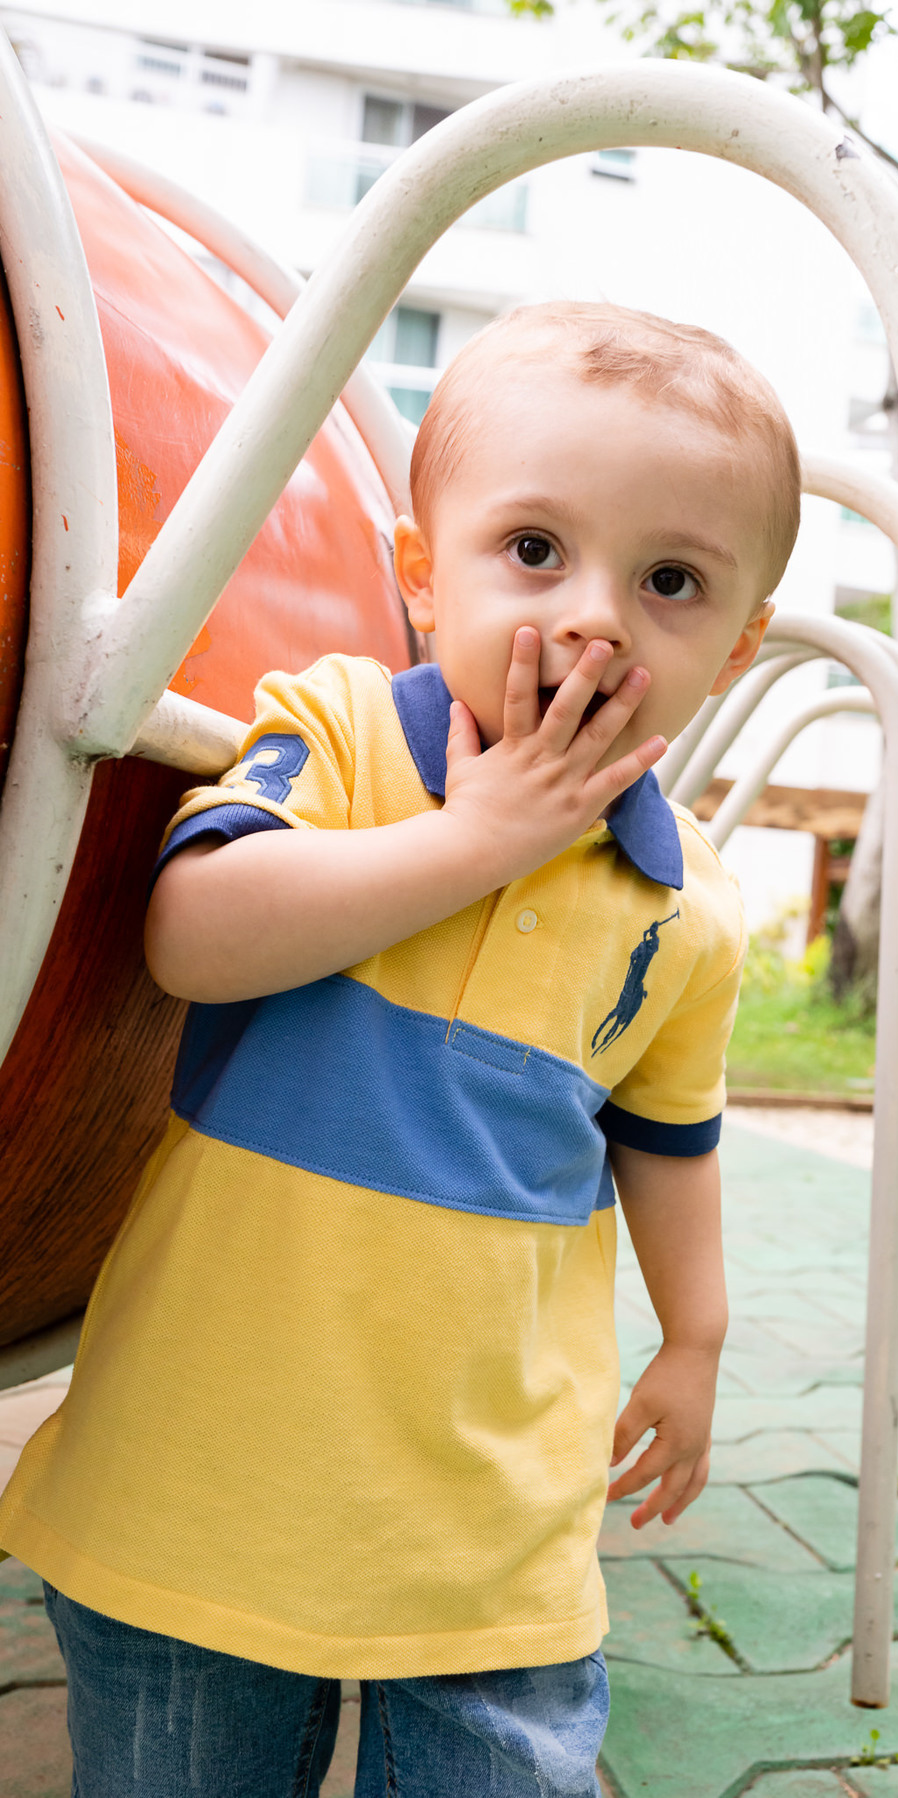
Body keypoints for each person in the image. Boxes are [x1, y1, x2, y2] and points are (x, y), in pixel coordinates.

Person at [0, 301, 801, 1796]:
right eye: (535, 550)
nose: (594, 617)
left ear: (738, 648)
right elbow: (197, 930)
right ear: (422, 579)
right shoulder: (346, 731)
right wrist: (474, 838)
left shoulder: (687, 903)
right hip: (200, 1487)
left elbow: (667, 1138)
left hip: (486, 1522)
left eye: (672, 580)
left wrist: (696, 1335)